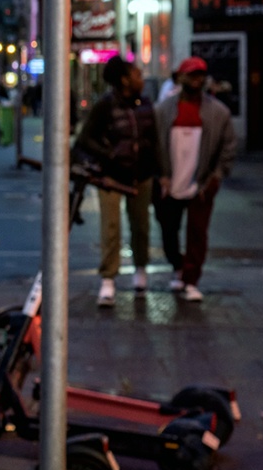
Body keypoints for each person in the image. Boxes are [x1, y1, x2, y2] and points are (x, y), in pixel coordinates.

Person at [74, 54, 157, 306]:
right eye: (137, 74)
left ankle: (140, 269)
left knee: (140, 225)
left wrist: (160, 171)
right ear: (124, 79)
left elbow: (155, 141)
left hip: (141, 174)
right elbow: (84, 139)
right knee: (111, 228)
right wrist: (109, 154)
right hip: (110, 175)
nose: (141, 79)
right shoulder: (105, 105)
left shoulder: (145, 104)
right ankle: (108, 278)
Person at [154, 56, 237, 303]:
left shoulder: (218, 113)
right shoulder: (164, 110)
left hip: (201, 182)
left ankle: (191, 279)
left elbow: (228, 146)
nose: (197, 80)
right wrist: (163, 174)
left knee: (197, 232)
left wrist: (217, 176)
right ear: (181, 78)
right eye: (192, 75)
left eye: (200, 75)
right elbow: (155, 144)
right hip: (170, 181)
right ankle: (177, 264)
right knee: (168, 229)